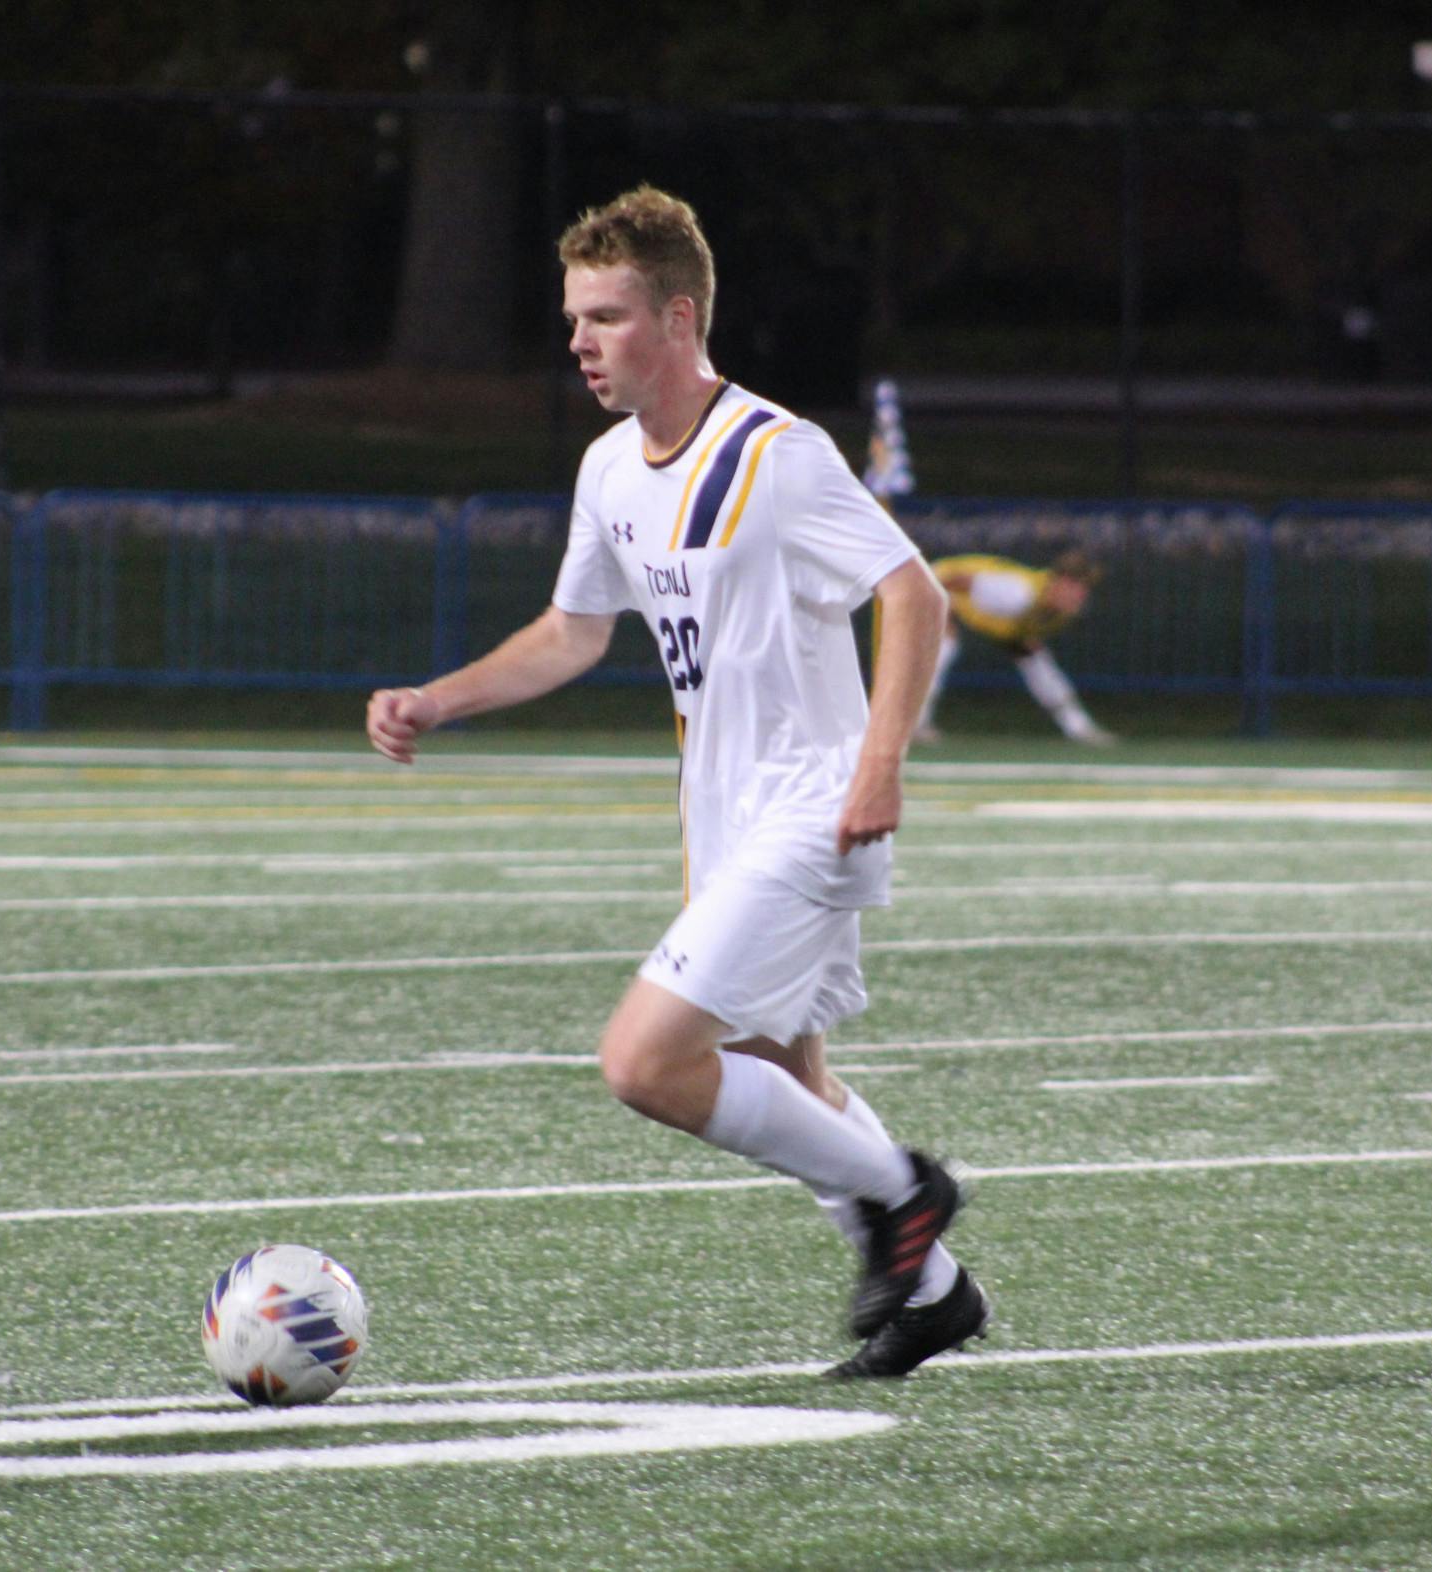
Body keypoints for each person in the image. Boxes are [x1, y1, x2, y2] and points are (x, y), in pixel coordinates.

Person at [367, 186, 987, 1378]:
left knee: (643, 1063)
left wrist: (879, 766)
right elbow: (569, 633)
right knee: (775, 1077)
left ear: (679, 317)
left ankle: (907, 1192)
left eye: (604, 316)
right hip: (723, 821)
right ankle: (936, 1294)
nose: (580, 342)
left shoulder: (775, 454)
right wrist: (436, 700)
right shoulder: (608, 470)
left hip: (815, 809)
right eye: (572, 319)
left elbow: (913, 591)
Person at [915, 551, 1114, 745]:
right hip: (937, 584)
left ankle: (1079, 727)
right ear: (1057, 581)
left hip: (987, 617)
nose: (1080, 594)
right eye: (1074, 585)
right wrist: (932, 602)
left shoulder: (1055, 607)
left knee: (1036, 660)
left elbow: (1020, 633)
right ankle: (913, 723)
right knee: (945, 644)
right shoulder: (1019, 593)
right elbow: (956, 579)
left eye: (1085, 587)